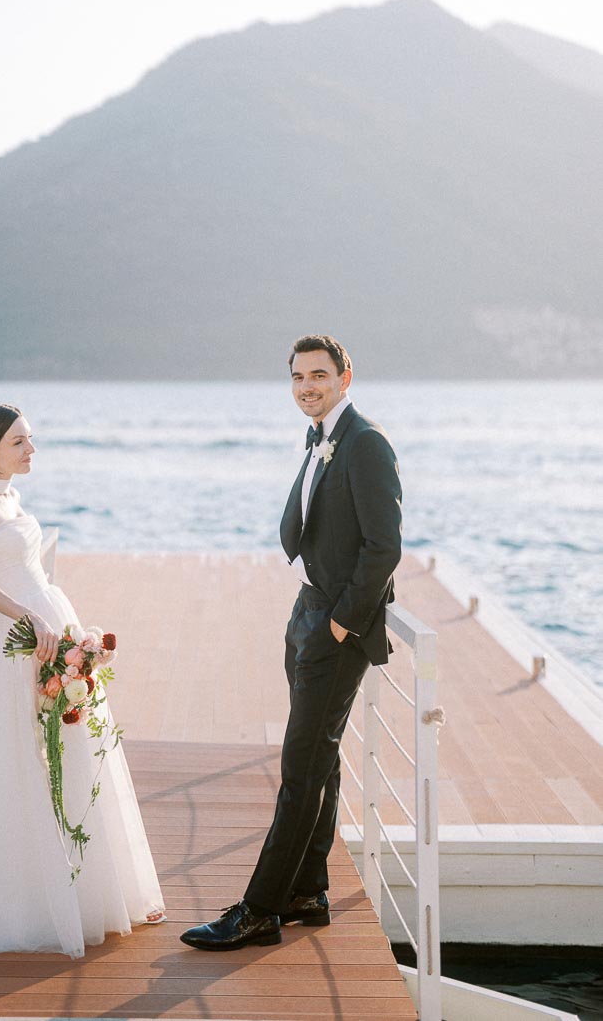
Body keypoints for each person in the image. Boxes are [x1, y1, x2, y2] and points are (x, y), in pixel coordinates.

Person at [181, 334, 402, 950]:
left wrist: (340, 622)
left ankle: (259, 909)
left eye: (319, 375)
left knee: (299, 771)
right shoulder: (321, 437)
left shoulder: (365, 443)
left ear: (345, 376)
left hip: (336, 626)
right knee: (320, 760)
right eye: (298, 377)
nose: (307, 386)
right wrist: (310, 616)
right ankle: (307, 891)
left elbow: (384, 547)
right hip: (306, 614)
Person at [0, 401, 165, 958]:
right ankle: (32, 903)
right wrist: (33, 618)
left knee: (73, 745)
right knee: (25, 754)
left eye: (29, 439)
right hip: (24, 637)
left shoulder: (12, 496)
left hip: (53, 629)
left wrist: (59, 624)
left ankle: (87, 890)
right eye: (19, 442)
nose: (31, 449)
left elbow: (26, 566)